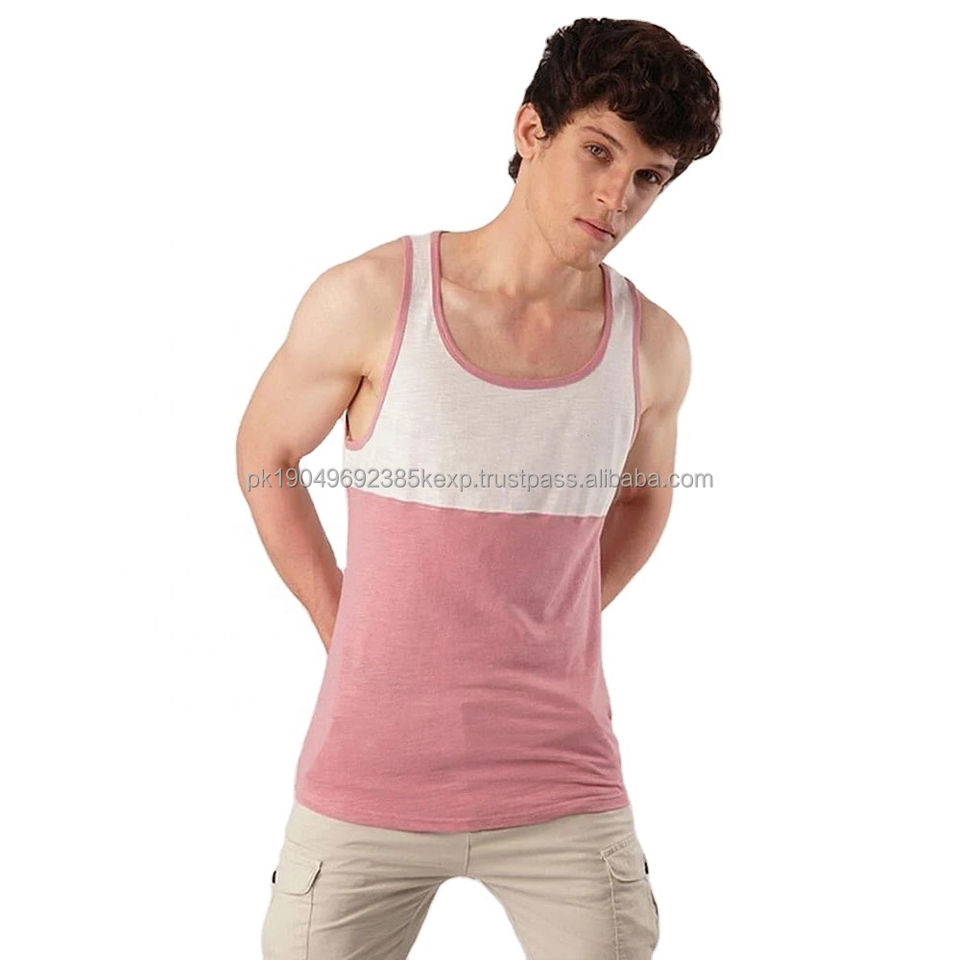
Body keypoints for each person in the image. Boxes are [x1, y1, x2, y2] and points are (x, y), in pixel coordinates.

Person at [236, 16, 720, 960]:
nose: (618, 196)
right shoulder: (375, 296)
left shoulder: (654, 345)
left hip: (562, 782)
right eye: (598, 151)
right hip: (367, 777)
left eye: (649, 177)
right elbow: (266, 454)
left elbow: (643, 498)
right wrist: (344, 618)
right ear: (530, 129)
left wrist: (553, 614)